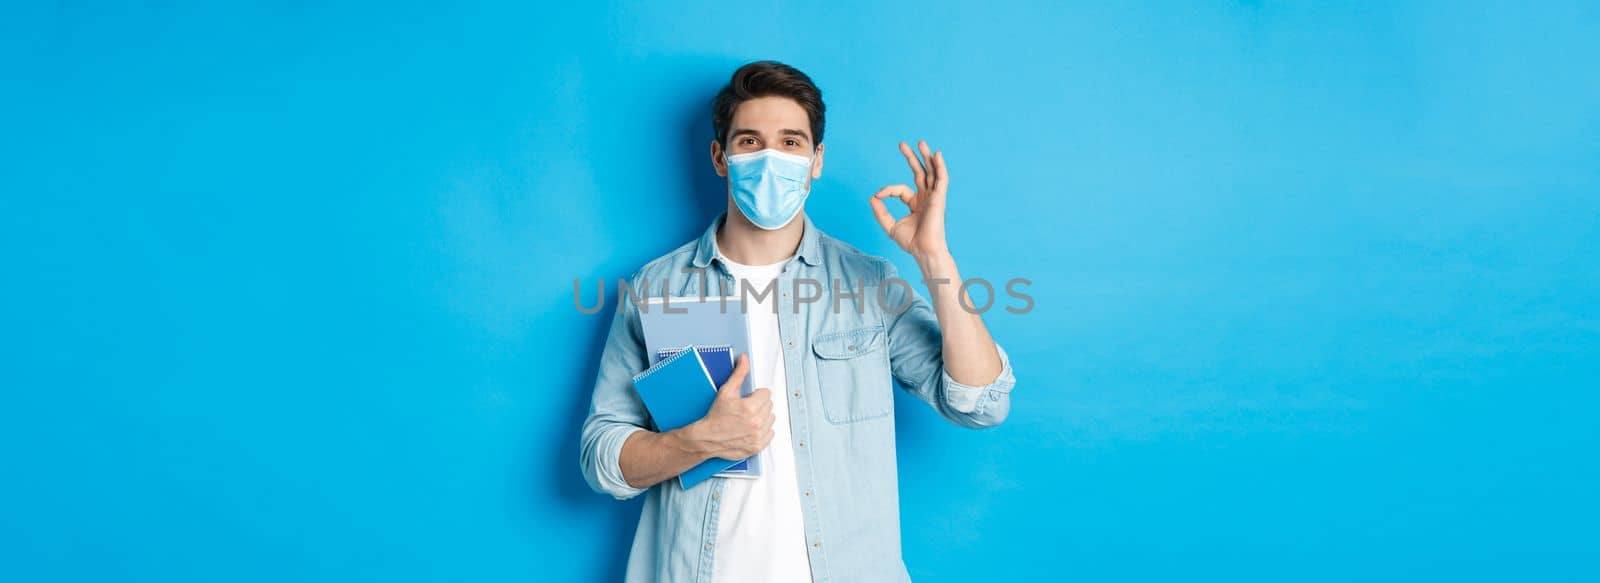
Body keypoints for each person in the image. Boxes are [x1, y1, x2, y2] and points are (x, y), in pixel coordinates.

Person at [579, 60, 1017, 583]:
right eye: (749, 142)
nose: (770, 159)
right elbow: (601, 455)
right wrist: (695, 442)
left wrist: (935, 259)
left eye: (790, 142)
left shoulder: (868, 284)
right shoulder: (657, 288)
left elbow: (980, 403)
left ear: (816, 160)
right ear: (720, 157)